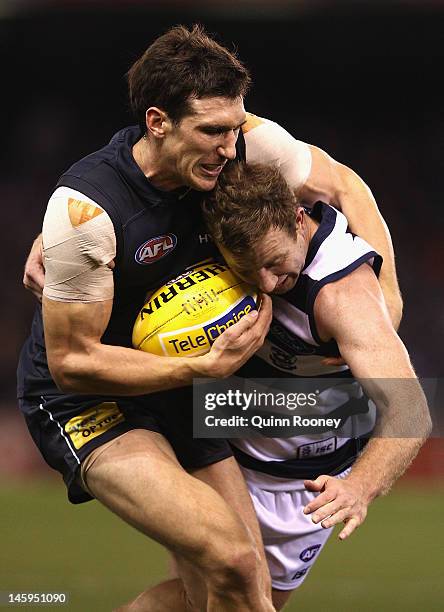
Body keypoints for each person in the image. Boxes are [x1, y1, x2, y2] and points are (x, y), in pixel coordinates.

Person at [19, 24, 403, 611]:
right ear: (157, 122)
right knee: (231, 559)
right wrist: (207, 365)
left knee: (247, 587)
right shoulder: (85, 213)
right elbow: (75, 363)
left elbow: (346, 184)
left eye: (235, 125)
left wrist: (386, 292)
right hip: (90, 402)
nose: (231, 147)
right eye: (213, 131)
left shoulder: (246, 146)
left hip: (186, 380)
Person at [201, 162, 432, 609]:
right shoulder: (223, 218)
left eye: (273, 264)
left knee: (206, 601)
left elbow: (411, 409)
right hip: (220, 446)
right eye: (249, 272)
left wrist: (359, 487)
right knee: (234, 596)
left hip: (302, 481)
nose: (266, 283)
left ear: (296, 217)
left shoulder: (340, 294)